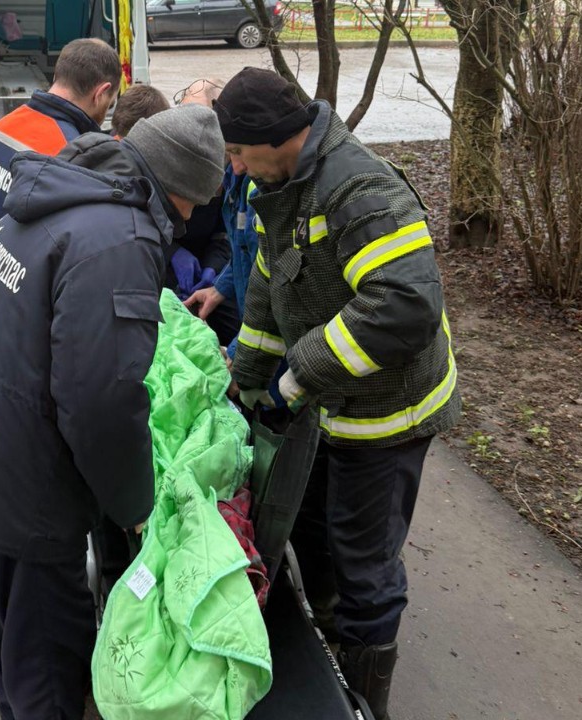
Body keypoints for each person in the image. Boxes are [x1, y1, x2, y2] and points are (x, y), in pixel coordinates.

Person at [0, 104, 226, 720]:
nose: (188, 222)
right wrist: (134, 507)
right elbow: (102, 401)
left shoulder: (62, 194)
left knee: (15, 646)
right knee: (50, 666)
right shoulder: (120, 238)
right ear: (177, 187)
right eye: (192, 204)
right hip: (26, 488)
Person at [212, 67, 461, 720]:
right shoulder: (281, 183)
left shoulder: (360, 187)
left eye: (236, 150)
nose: (231, 165)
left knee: (365, 563)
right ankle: (332, 639)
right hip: (333, 407)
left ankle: (365, 698)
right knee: (315, 524)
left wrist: (299, 373)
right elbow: (271, 282)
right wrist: (245, 386)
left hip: (389, 414)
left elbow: (405, 305)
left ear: (272, 137)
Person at [0, 38, 121, 274]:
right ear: (101, 93)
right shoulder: (71, 154)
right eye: (110, 103)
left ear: (58, 75)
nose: (106, 112)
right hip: (13, 296)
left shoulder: (2, 127)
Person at [166, 77, 241, 345]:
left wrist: (212, 270)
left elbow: (225, 234)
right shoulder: (162, 156)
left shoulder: (236, 169)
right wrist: (171, 252)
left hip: (209, 278)